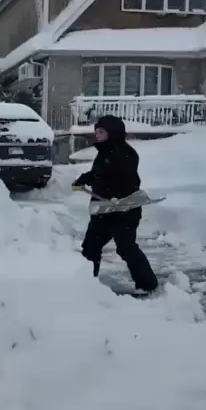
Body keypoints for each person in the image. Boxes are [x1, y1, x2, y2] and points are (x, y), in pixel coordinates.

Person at [72, 115, 159, 294]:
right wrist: (84, 179)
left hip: (124, 211)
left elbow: (122, 179)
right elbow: (99, 172)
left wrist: (97, 182)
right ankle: (85, 284)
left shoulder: (126, 154)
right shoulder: (105, 152)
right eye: (96, 131)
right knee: (90, 247)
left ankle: (148, 285)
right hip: (104, 210)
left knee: (126, 248)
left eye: (101, 131)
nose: (97, 135)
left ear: (113, 133)